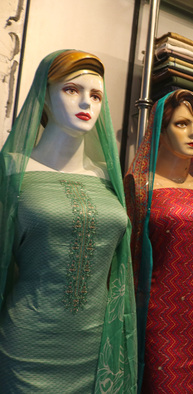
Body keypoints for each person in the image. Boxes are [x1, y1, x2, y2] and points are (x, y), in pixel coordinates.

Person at [0, 50, 136, 392]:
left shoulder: (109, 179)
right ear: (43, 95)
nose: (85, 103)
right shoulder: (11, 170)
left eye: (96, 95)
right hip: (28, 345)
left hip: (97, 348)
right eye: (71, 89)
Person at [125, 89, 193, 392]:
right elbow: (128, 261)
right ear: (160, 128)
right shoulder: (139, 185)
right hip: (163, 324)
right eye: (182, 124)